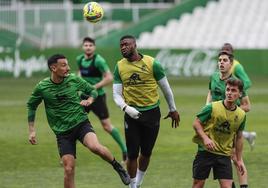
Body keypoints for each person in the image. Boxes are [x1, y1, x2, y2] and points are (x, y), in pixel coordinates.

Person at [27, 54, 130, 188]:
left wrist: (90, 100)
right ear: (53, 68)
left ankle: (117, 166)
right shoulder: (42, 87)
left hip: (81, 124)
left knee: (95, 147)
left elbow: (93, 91)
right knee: (68, 169)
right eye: (64, 65)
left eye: (68, 64)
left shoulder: (74, 79)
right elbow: (31, 105)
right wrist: (32, 130)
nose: (68, 68)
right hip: (62, 133)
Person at [113, 35, 180, 188]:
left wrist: (173, 109)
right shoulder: (119, 66)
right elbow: (116, 95)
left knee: (147, 152)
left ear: (135, 44)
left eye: (126, 44)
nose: (123, 47)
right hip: (131, 115)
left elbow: (166, 89)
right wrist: (126, 108)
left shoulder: (152, 63)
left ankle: (139, 182)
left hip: (152, 113)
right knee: (132, 154)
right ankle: (132, 185)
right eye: (121, 45)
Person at [76, 37, 127, 162]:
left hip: (97, 97)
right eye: (86, 45)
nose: (88, 47)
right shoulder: (80, 59)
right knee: (75, 125)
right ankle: (69, 156)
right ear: (83, 47)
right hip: (83, 97)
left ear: (94, 47)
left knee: (106, 126)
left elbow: (109, 78)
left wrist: (93, 87)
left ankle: (125, 151)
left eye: (90, 45)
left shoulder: (99, 60)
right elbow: (79, 74)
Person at [206, 50, 249, 188]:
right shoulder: (213, 77)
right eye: (219, 60)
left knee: (236, 158)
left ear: (231, 64)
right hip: (214, 125)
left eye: (225, 61)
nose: (221, 63)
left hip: (230, 126)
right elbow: (210, 93)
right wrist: (207, 108)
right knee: (223, 158)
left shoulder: (236, 82)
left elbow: (247, 105)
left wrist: (233, 115)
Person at [192, 78, 246, 188]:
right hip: (205, 152)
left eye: (233, 90)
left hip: (224, 155)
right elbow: (196, 123)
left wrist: (239, 159)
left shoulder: (241, 115)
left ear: (240, 94)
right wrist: (205, 139)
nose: (229, 93)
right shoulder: (212, 107)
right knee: (198, 184)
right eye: (228, 90)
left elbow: (239, 137)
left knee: (227, 186)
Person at [221, 43, 256, 150]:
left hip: (234, 101)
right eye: (223, 51)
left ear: (232, 54)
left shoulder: (236, 66)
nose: (225, 54)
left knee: (228, 129)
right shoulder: (224, 63)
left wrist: (239, 92)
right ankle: (248, 136)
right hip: (226, 98)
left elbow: (247, 82)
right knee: (227, 128)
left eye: (227, 52)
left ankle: (231, 156)